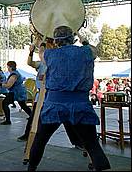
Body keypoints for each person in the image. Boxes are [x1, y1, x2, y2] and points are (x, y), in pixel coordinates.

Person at [27, 26, 110, 171]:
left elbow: (41, 54)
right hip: (80, 105)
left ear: (57, 41)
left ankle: (31, 168)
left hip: (54, 105)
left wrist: (42, 42)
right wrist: (82, 38)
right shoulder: (86, 52)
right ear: (73, 39)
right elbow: (93, 50)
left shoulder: (50, 55)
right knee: (92, 144)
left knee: (40, 140)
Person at [18, 42, 85, 150]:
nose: (40, 52)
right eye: (40, 51)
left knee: (66, 120)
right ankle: (27, 135)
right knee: (33, 118)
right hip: (40, 96)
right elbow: (30, 63)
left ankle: (77, 141)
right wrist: (30, 52)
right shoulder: (41, 64)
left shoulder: (56, 63)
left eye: (42, 50)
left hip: (53, 95)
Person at [0, 61, 32, 125]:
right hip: (19, 91)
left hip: (16, 92)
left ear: (10, 67)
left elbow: (9, 85)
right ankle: (32, 117)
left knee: (4, 103)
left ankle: (8, 121)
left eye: (8, 67)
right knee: (23, 105)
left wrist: (0, 84)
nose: (7, 68)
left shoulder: (14, 74)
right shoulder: (15, 73)